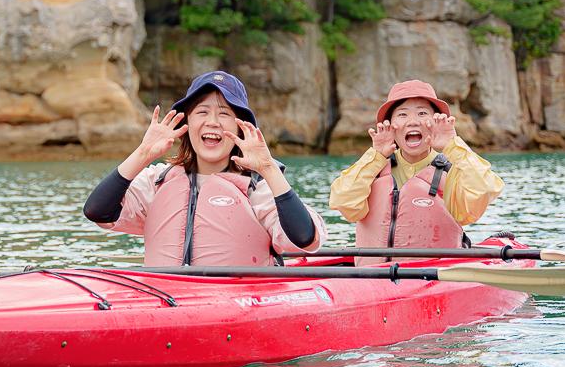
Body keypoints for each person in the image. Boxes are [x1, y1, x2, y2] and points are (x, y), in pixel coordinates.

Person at [83, 70, 326, 266]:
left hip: (236, 308)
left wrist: (268, 169)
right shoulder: (157, 181)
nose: (212, 122)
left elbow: (304, 239)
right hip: (168, 300)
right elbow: (97, 212)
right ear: (187, 122)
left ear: (241, 127)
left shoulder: (258, 189)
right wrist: (143, 153)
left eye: (224, 113)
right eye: (202, 112)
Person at [328, 79, 504, 254]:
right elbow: (343, 202)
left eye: (422, 114)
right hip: (376, 277)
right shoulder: (373, 169)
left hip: (434, 277)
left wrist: (452, 145)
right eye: (402, 115)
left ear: (435, 122)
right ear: (390, 125)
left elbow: (485, 191)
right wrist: (376, 156)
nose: (413, 122)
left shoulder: (453, 169)